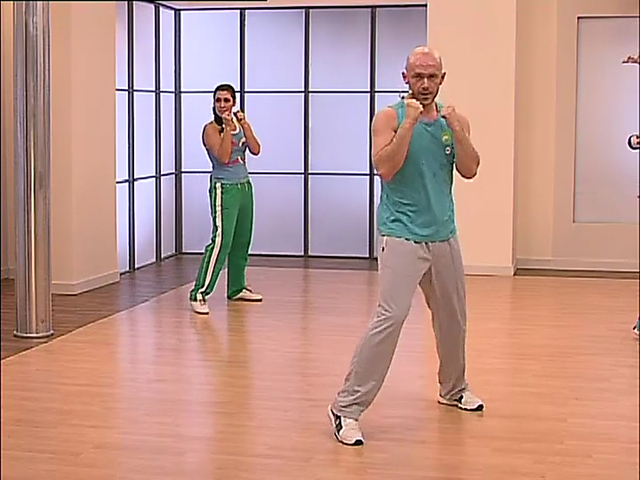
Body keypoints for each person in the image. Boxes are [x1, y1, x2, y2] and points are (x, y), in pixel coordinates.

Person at [327, 46, 484, 446]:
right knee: (391, 317)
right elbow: (385, 167)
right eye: (418, 76)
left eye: (432, 77)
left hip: (443, 234)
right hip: (400, 234)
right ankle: (346, 407)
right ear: (405, 78)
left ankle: (453, 388)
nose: (425, 84)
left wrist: (456, 128)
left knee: (453, 318)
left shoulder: (453, 120)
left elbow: (470, 168)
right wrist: (410, 123)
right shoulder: (389, 118)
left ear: (442, 79)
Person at [189, 83, 263, 315]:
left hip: (244, 186)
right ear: (213, 104)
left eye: (226, 100)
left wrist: (244, 126)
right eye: (218, 100)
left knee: (242, 240)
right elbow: (222, 157)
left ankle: (236, 287)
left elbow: (256, 149)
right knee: (221, 241)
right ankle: (199, 293)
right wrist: (228, 130)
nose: (222, 105)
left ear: (234, 102)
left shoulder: (239, 124)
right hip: (224, 188)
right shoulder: (211, 130)